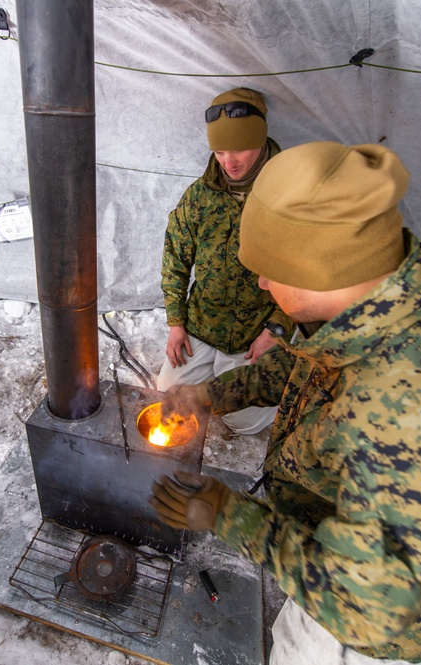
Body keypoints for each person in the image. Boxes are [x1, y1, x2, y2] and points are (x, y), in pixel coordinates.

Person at [151, 142, 421, 664]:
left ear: (316, 269)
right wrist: (210, 393)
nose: (261, 283)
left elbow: (362, 607)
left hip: (385, 623)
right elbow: (309, 363)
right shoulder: (386, 296)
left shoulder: (416, 415)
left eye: (271, 270)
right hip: (354, 529)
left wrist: (229, 514)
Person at [157, 87, 293, 435]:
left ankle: (276, 378)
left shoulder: (289, 197)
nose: (228, 162)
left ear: (261, 141)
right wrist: (176, 321)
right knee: (167, 396)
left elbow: (308, 276)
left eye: (240, 150)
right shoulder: (201, 196)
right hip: (203, 324)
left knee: (243, 421)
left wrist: (277, 328)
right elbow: (175, 255)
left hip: (255, 332)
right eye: (219, 151)